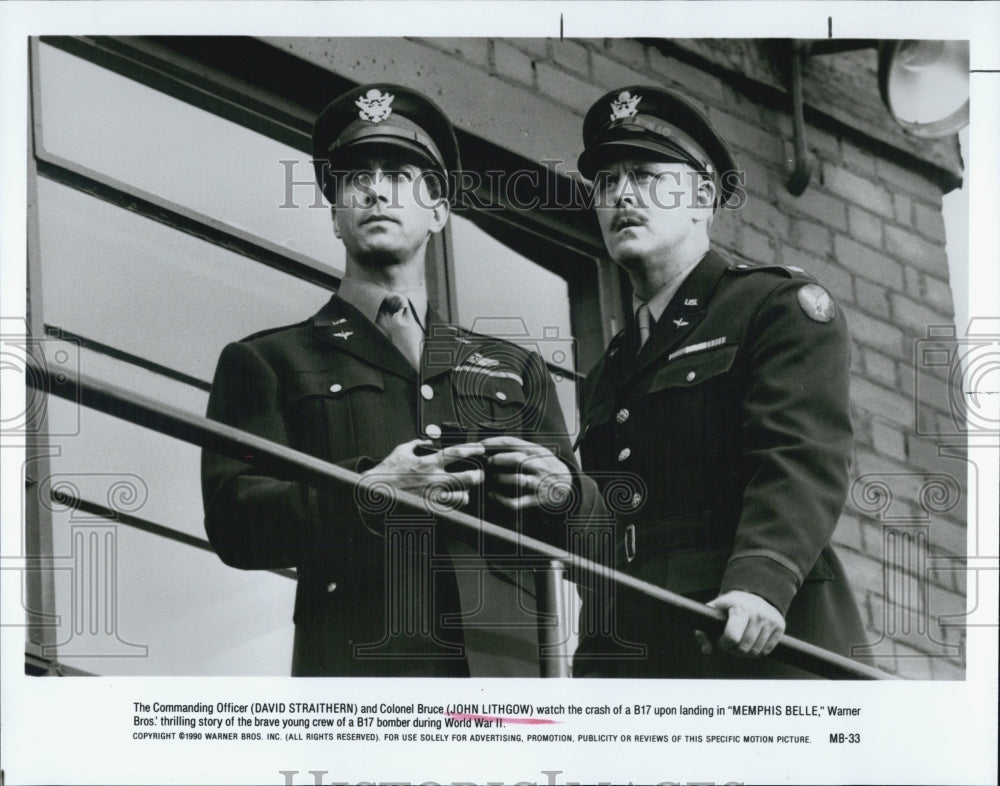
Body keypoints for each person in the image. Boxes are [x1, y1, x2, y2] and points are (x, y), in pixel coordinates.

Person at [202, 84, 592, 676]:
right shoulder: (269, 361)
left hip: (507, 685)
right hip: (363, 679)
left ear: (438, 210)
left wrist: (567, 494)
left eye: (400, 175)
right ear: (335, 214)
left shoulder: (516, 371)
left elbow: (591, 536)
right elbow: (236, 523)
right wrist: (371, 496)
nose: (376, 190)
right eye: (356, 177)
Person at [571, 86, 868, 678]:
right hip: (644, 655)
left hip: (755, 641)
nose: (622, 194)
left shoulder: (772, 305)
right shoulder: (614, 364)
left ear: (702, 198)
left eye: (648, 176)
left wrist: (762, 581)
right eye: (607, 182)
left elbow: (800, 459)